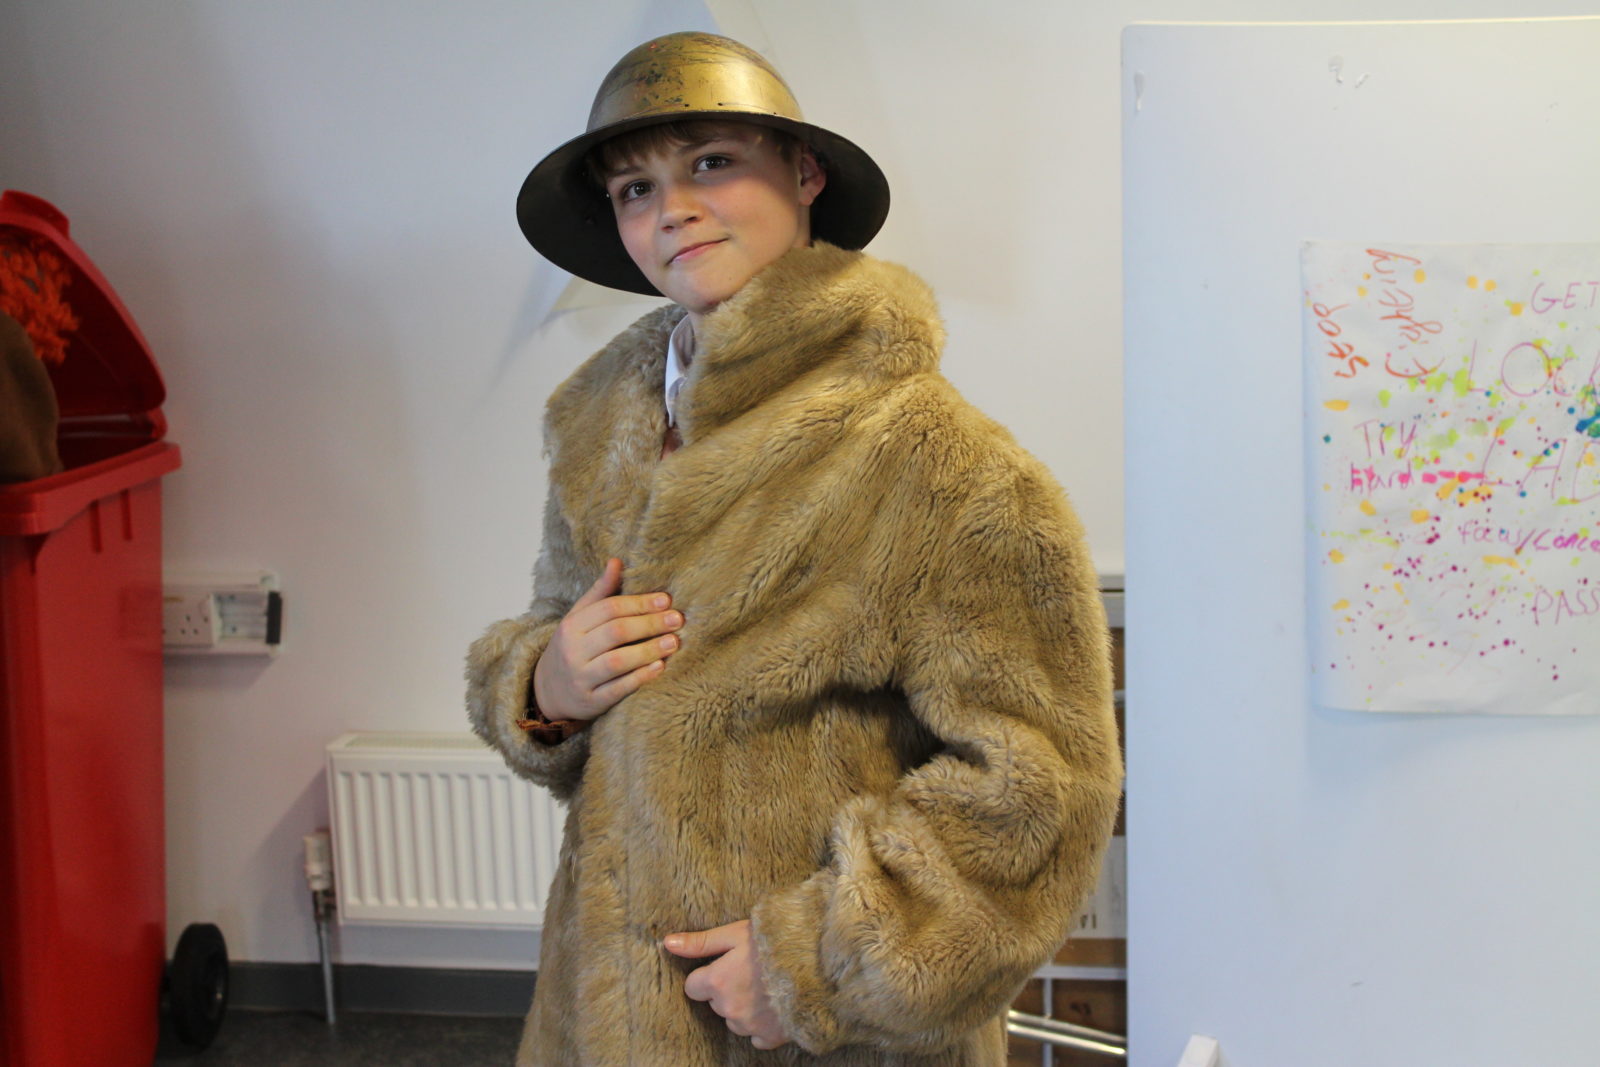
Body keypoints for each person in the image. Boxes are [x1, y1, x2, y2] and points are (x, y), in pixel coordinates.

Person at [466, 31, 1122, 1066]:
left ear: (805, 173)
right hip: (604, 1012)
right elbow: (562, 632)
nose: (672, 208)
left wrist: (815, 964)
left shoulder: (937, 460)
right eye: (635, 188)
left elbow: (1042, 786)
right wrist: (543, 682)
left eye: (712, 162)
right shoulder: (601, 431)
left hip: (823, 1037)